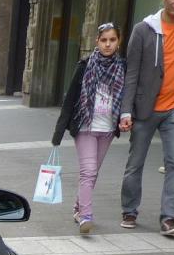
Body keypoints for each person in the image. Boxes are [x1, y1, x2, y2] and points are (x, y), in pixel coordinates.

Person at [118, 0, 174, 236]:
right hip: (146, 107)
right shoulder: (144, 29)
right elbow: (131, 72)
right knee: (136, 163)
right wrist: (126, 110)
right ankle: (129, 209)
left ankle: (170, 218)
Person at [53, 23, 126, 235]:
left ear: (118, 41)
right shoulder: (85, 64)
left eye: (112, 40)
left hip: (107, 127)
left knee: (93, 174)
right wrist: (58, 132)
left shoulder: (123, 67)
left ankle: (77, 209)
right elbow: (70, 98)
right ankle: (86, 215)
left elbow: (126, 97)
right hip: (85, 125)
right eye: (104, 40)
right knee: (89, 171)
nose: (108, 44)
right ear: (97, 41)